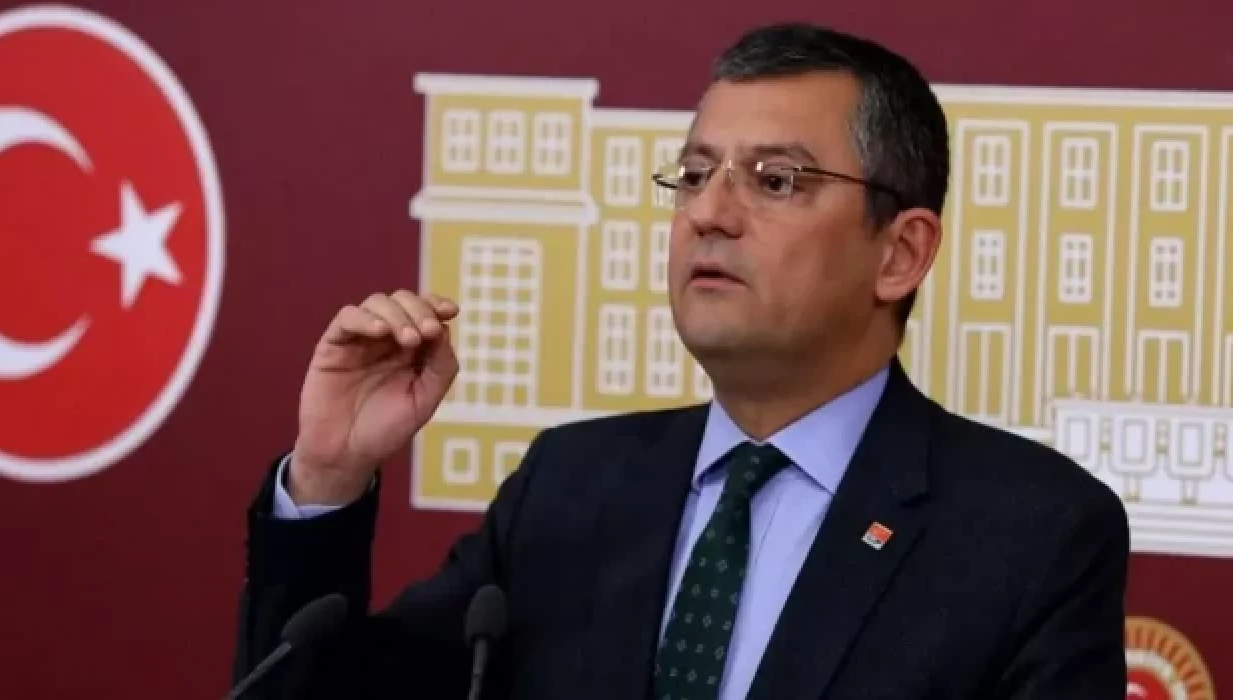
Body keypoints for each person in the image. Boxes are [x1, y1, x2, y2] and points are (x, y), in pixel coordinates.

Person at [231, 22, 1130, 700]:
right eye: (695, 175)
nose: (709, 213)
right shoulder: (571, 488)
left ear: (899, 253)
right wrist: (328, 476)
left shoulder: (1031, 535)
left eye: (775, 180)